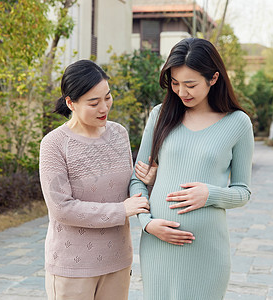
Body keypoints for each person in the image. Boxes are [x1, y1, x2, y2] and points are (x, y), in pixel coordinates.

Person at [130, 38, 254, 299]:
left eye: (190, 84)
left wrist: (210, 194)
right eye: (175, 83)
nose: (181, 92)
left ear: (213, 78)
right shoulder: (160, 115)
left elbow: (243, 192)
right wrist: (147, 224)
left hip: (206, 250)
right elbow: (137, 180)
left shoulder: (238, 123)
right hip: (157, 246)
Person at [39, 59, 150, 300]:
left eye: (107, 98)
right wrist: (121, 211)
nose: (104, 108)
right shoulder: (54, 144)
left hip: (118, 259)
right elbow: (61, 209)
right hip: (73, 266)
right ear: (71, 102)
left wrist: (146, 180)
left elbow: (128, 187)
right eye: (93, 102)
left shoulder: (119, 133)